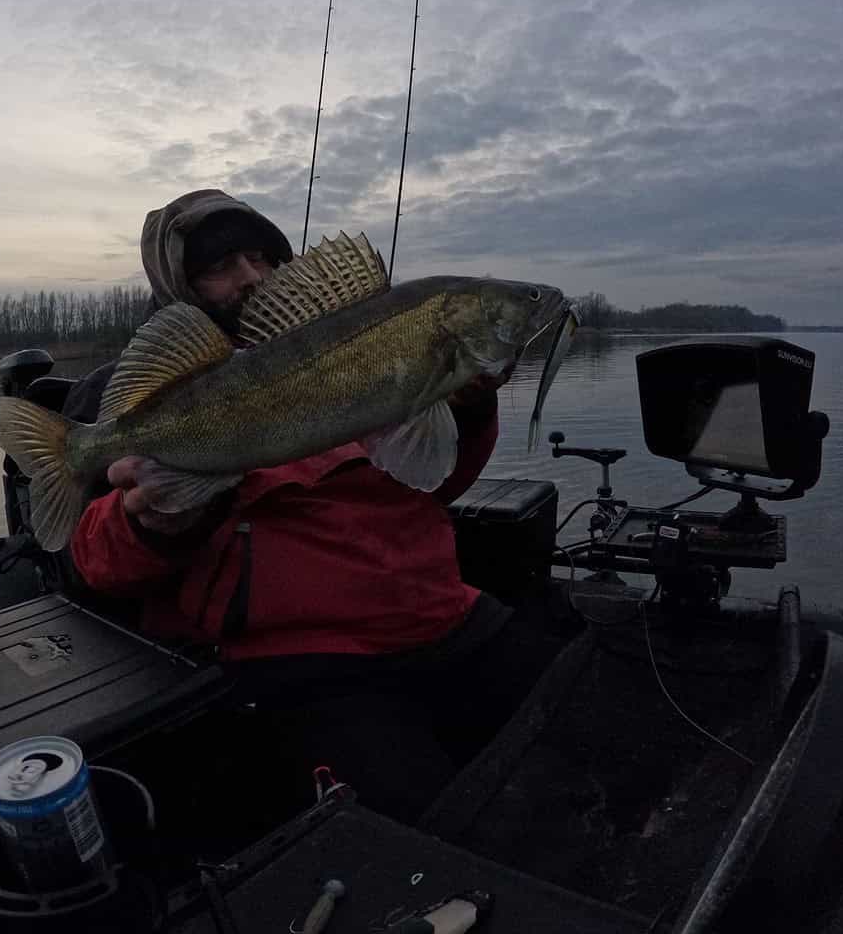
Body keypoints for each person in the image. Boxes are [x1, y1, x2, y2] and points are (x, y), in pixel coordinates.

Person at [66, 188, 561, 827]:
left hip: (442, 614)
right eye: (218, 266)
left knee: (578, 723)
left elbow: (433, 485)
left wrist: (466, 407)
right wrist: (151, 521)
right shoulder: (136, 400)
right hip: (305, 662)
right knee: (428, 830)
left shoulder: (362, 352)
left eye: (260, 255)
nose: (250, 276)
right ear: (180, 292)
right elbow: (94, 563)